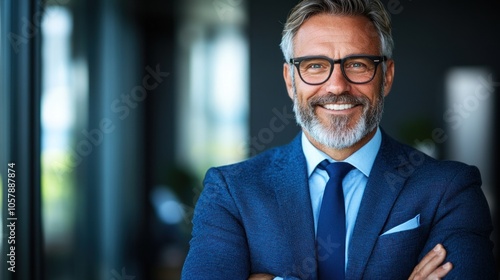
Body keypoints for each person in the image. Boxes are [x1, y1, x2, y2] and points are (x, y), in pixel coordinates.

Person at [181, 0, 497, 279]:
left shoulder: (449, 189)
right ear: (290, 81)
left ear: (386, 76)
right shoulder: (231, 192)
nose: (336, 86)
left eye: (357, 64)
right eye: (315, 66)